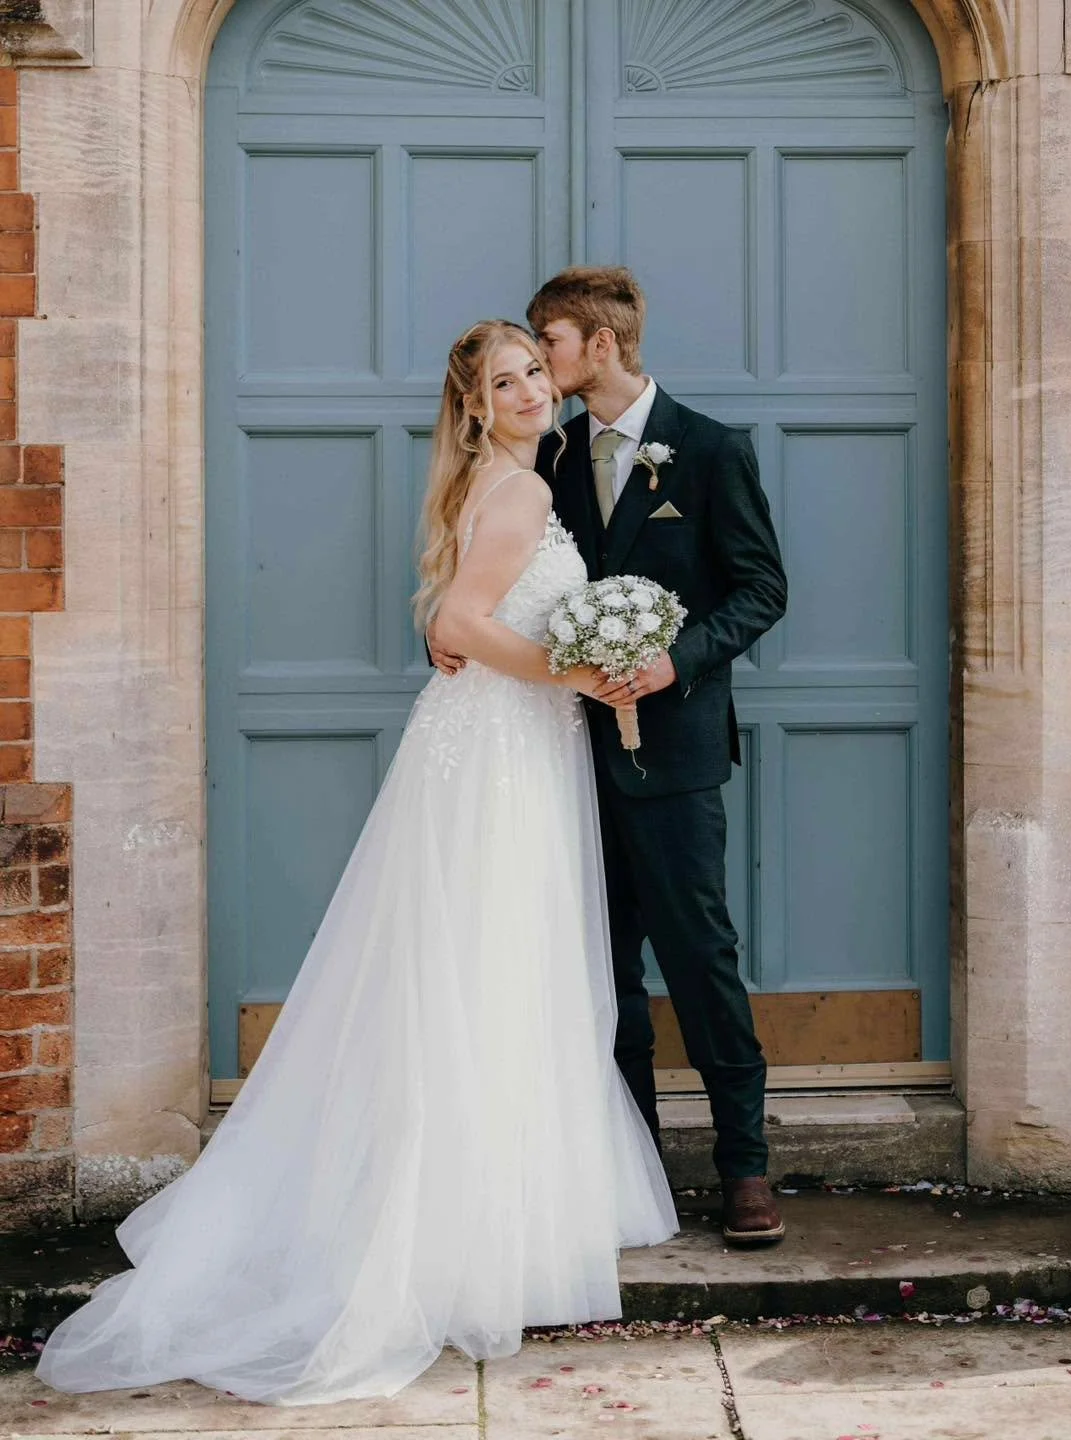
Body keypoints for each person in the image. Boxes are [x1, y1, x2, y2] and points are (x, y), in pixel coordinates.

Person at [34, 320, 677, 1407]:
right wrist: (578, 672)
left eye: (534, 371)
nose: (530, 390)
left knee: (481, 965)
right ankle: (470, 1223)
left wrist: (556, 665)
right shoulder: (521, 490)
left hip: (504, 744)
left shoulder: (508, 479)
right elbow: (465, 621)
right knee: (492, 963)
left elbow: (457, 620)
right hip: (501, 756)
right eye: (505, 382)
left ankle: (503, 1203)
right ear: (475, 406)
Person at [529, 267, 789, 1242]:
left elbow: (762, 589)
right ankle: (629, 1168)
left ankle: (745, 1166)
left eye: (550, 341)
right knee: (603, 971)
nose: (539, 361)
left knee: (700, 959)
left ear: (600, 344)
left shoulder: (711, 450)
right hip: (563, 753)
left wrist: (673, 661)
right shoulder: (550, 456)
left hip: (675, 757)